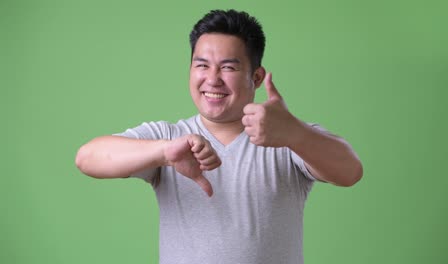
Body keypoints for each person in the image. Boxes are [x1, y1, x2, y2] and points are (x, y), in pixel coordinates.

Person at [75, 9, 363, 264]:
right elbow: (88, 158)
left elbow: (350, 171)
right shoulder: (169, 137)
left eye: (228, 67)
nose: (212, 79)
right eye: (201, 65)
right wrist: (164, 151)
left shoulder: (285, 136)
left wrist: (295, 133)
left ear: (257, 77)